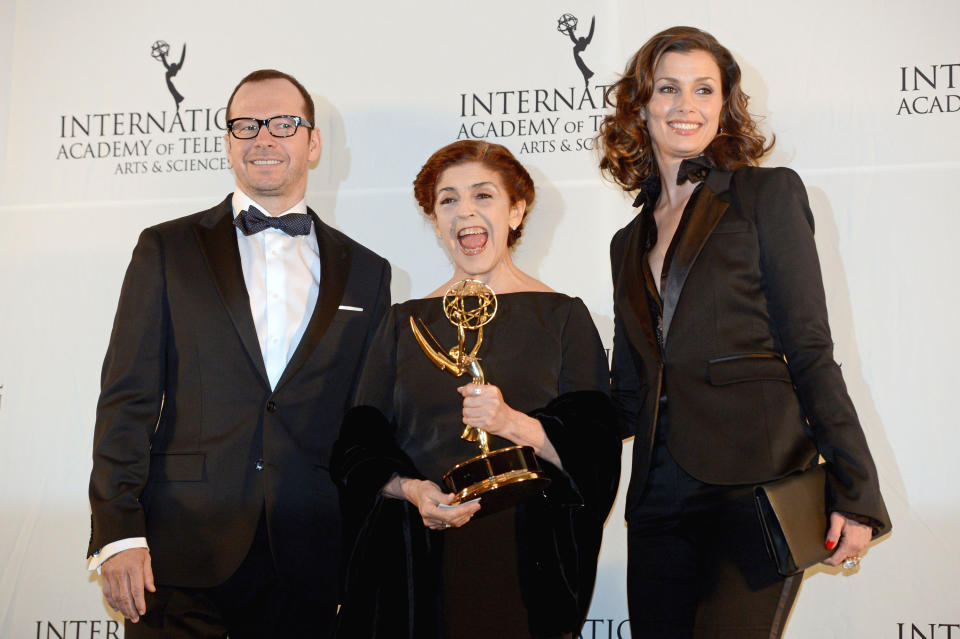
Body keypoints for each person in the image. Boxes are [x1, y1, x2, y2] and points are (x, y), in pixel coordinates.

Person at [597, 26, 890, 639]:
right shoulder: (627, 242)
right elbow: (627, 391)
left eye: (704, 89)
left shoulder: (765, 194)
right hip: (657, 497)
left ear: (725, 104)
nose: (686, 106)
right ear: (641, 105)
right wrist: (529, 428)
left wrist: (855, 491)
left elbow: (810, 348)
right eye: (668, 89)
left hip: (755, 480)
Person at [87, 69, 391, 638]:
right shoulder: (166, 249)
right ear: (228, 141)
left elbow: (364, 422)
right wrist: (117, 530)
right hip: (177, 553)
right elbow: (126, 397)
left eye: (283, 123)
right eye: (246, 125)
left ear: (313, 142)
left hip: (308, 552)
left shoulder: (368, 272)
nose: (263, 137)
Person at [331, 140, 621, 639]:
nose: (464, 210)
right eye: (448, 200)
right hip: (415, 561)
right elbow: (358, 449)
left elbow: (596, 452)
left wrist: (512, 423)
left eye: (483, 195)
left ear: (517, 210)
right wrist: (413, 491)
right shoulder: (402, 323)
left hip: (526, 558)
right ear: (436, 219)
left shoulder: (564, 317)